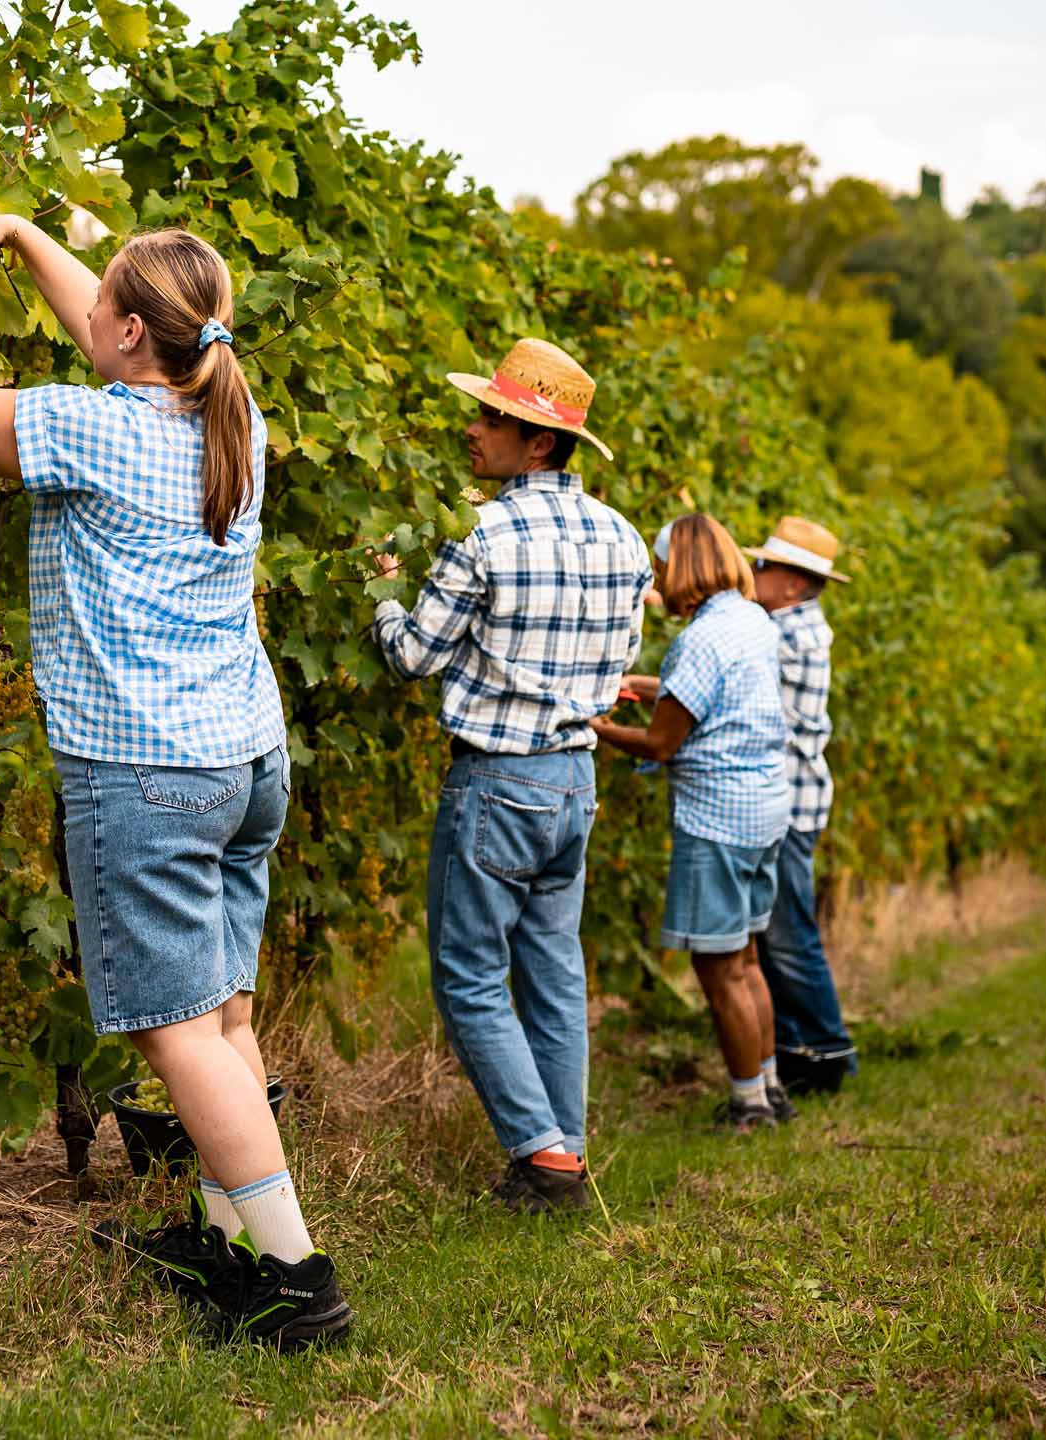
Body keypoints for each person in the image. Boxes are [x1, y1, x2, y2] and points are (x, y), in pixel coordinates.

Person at [0, 215, 348, 1350]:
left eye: (102, 302)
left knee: (176, 1034)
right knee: (225, 1014)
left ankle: (295, 1283)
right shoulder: (227, 422)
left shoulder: (90, 430)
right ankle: (242, 1245)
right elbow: (108, 329)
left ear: (137, 329)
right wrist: (27, 236)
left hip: (147, 770)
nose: (85, 315)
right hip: (243, 760)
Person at [370, 338, 651, 1211]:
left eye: (492, 417)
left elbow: (414, 657)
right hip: (574, 782)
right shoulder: (626, 537)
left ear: (537, 444)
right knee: (554, 972)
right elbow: (619, 663)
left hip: (497, 782)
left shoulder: (482, 533)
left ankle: (541, 1154)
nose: (473, 427)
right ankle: (565, 1148)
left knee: (466, 973)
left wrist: (381, 593)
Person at [592, 515, 792, 1133]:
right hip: (763, 810)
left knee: (717, 966)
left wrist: (595, 729)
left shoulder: (699, 641)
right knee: (747, 958)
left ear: (682, 568)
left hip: (718, 818)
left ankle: (747, 1107)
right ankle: (770, 1086)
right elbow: (713, 695)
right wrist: (650, 687)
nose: (658, 580)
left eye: (661, 568)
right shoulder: (750, 620)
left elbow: (659, 746)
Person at [745, 517, 859, 1095]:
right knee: (774, 931)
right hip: (793, 801)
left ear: (794, 584)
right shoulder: (789, 624)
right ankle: (797, 1050)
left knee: (789, 934)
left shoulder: (792, 634)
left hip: (789, 806)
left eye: (764, 565)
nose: (753, 573)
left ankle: (830, 1052)